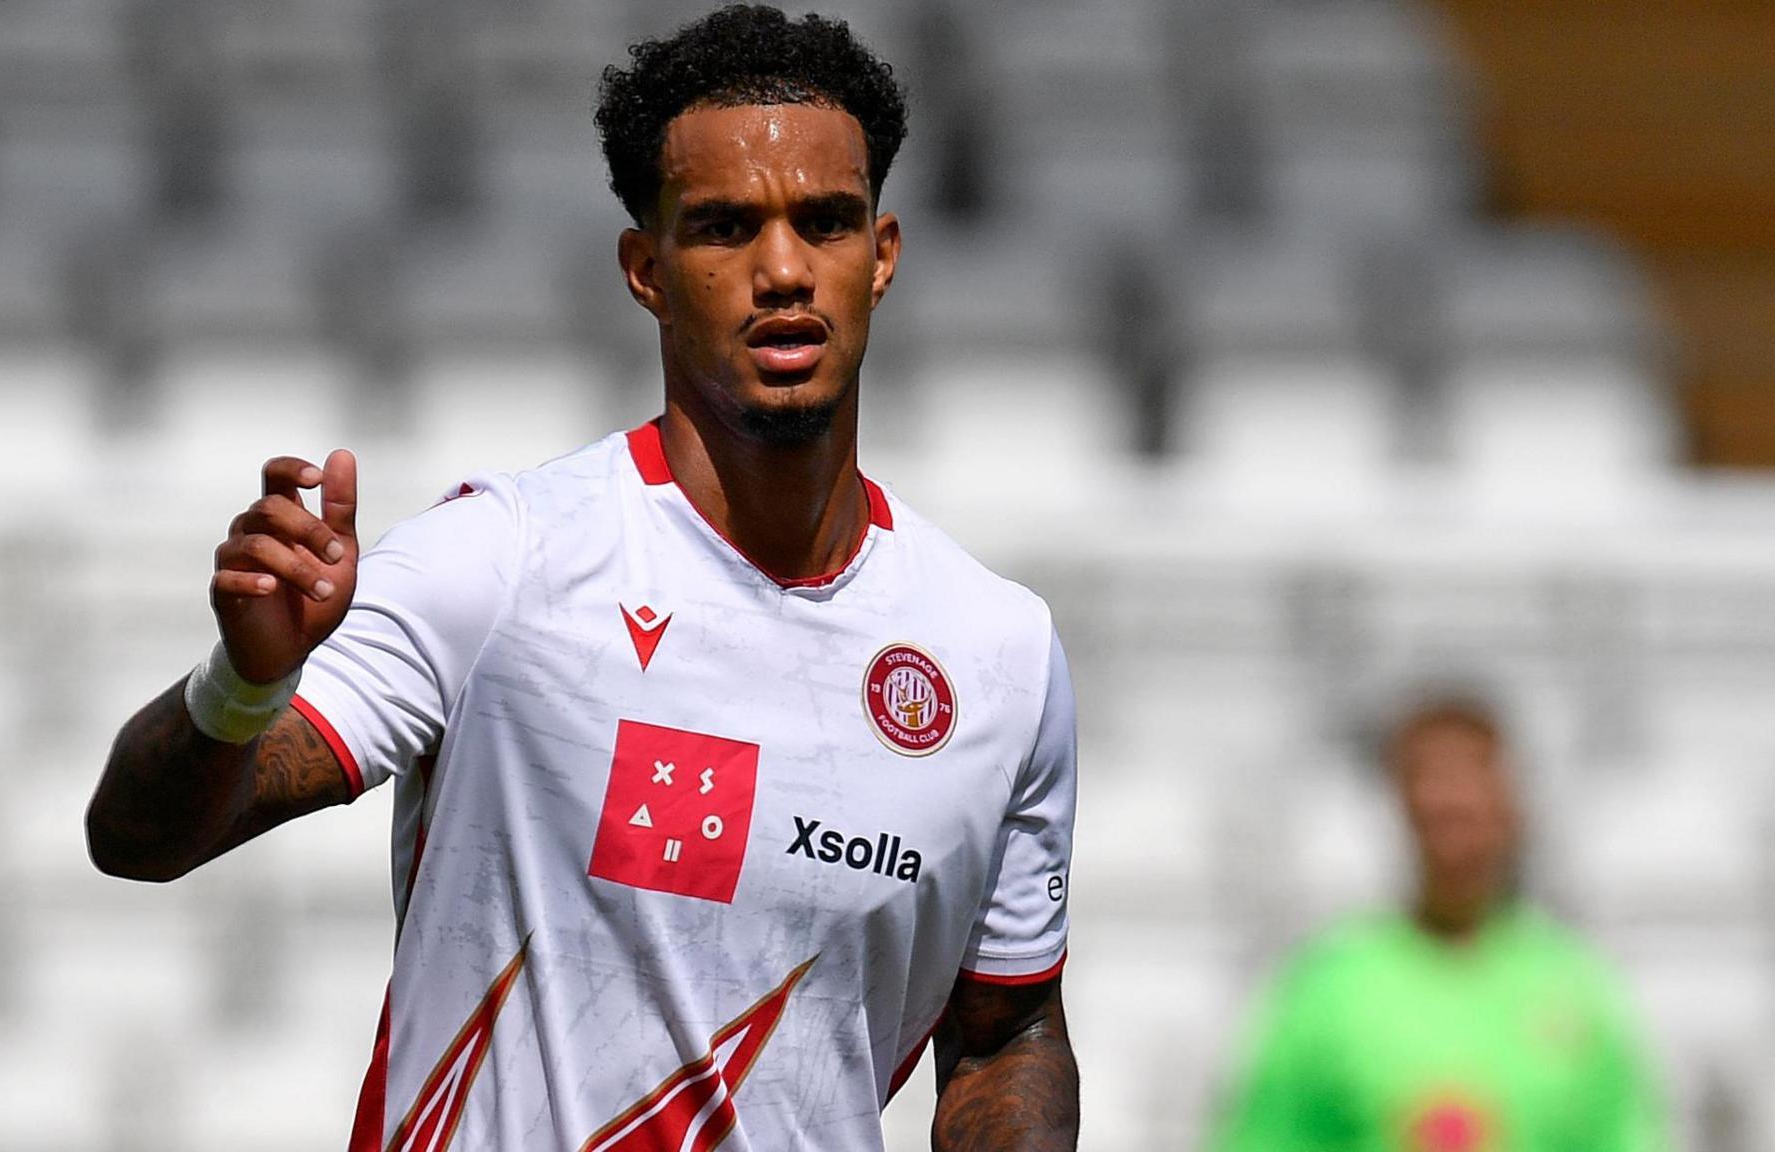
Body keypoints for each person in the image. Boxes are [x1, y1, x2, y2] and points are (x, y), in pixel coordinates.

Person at [84, 7, 1079, 1150]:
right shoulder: (502, 562)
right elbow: (138, 839)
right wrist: (241, 685)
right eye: (722, 228)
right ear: (644, 271)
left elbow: (1009, 1031)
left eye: (826, 222)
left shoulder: (996, 651)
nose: (783, 270)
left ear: (883, 254)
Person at [1210, 696, 1672, 1152]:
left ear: (1511, 805)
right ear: (1399, 805)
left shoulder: (1572, 981)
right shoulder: (1329, 984)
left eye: (1471, 778)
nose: (1450, 803)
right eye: (1430, 781)